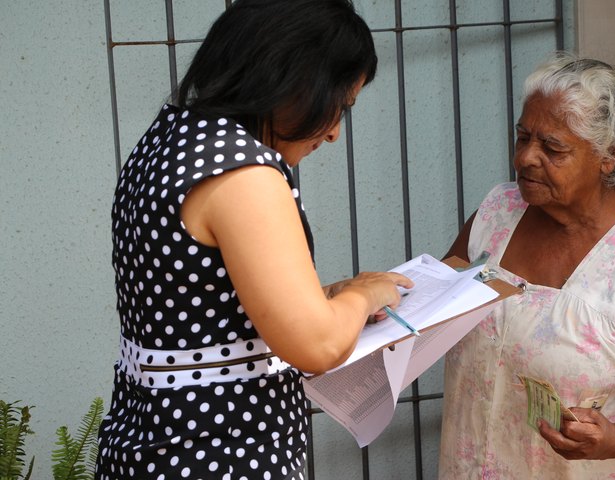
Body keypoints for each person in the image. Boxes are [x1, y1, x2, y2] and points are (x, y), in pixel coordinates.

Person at [94, 1, 413, 479]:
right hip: (217, 455)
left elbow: (203, 309)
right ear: (293, 78)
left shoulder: (167, 141)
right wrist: (364, 293)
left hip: (150, 444)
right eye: (339, 105)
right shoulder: (241, 171)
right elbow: (317, 345)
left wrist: (327, 299)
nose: (333, 133)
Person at [438, 54, 615, 479]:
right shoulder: (496, 214)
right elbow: (438, 300)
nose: (526, 158)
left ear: (609, 155)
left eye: (552, 147)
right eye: (522, 137)